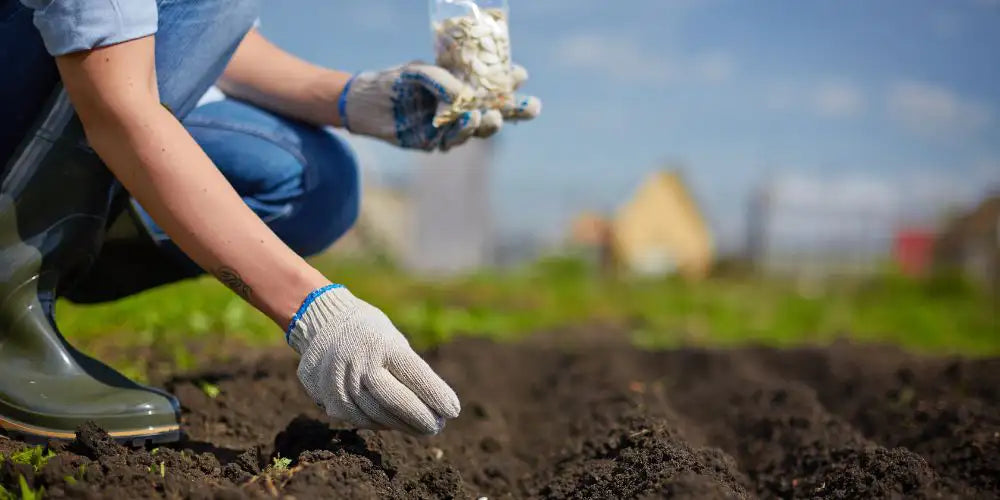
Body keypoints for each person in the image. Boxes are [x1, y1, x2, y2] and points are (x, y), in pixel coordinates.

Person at [0, 0, 540, 444]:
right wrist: (315, 310)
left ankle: (58, 251)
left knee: (316, 181)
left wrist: (358, 101)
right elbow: (115, 107)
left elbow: (194, 34)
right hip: (95, 92)